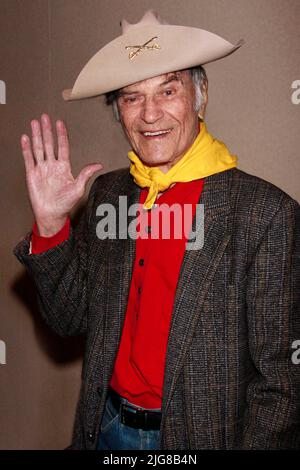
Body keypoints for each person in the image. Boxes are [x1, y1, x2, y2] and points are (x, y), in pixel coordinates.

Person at [14, 10, 300, 450]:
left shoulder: (266, 214)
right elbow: (67, 319)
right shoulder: (109, 194)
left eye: (168, 90)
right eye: (132, 98)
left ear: (199, 96)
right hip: (105, 427)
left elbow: (280, 384)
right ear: (119, 112)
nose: (150, 114)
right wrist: (52, 227)